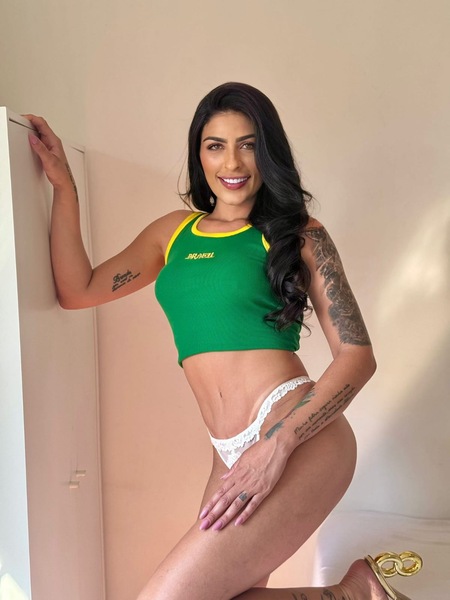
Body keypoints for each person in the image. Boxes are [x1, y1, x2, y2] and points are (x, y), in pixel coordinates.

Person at [26, 82, 422, 600]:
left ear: (268, 152)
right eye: (216, 145)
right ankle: (355, 594)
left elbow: (358, 357)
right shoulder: (173, 233)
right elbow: (78, 290)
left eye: (248, 144)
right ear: (199, 154)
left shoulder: (299, 234)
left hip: (298, 433)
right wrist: (64, 187)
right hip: (227, 452)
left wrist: (279, 443)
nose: (232, 162)